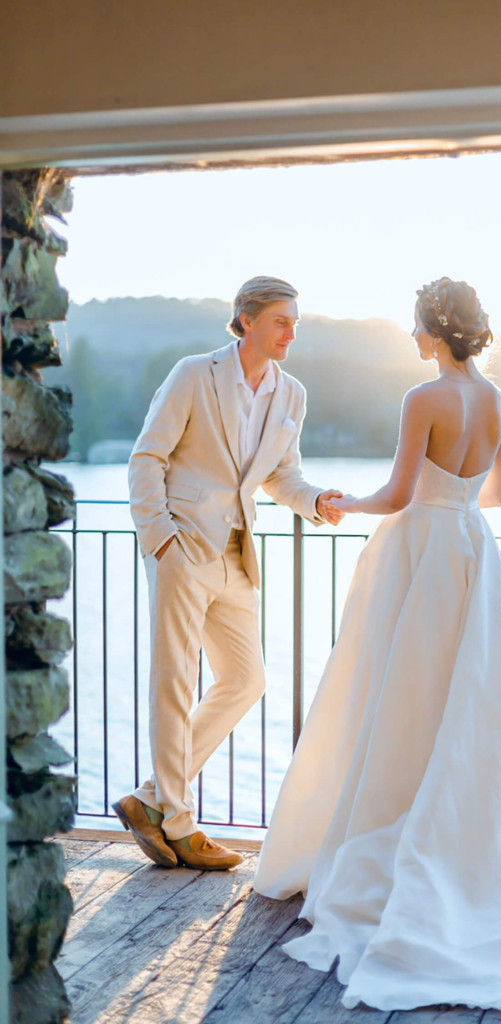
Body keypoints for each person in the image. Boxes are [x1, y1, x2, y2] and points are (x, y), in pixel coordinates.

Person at [252, 277, 501, 1013]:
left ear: (434, 329)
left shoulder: (421, 399)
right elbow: (494, 494)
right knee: (478, 701)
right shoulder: (496, 400)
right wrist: (450, 495)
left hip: (419, 550)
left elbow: (398, 496)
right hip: (470, 546)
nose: (410, 337)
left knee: (401, 696)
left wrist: (339, 504)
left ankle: (397, 833)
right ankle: (479, 842)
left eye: (415, 326)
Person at [113, 276, 344, 871]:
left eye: (295, 321)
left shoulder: (291, 395)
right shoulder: (194, 374)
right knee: (174, 683)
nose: (292, 331)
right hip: (182, 548)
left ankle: (148, 800)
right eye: (281, 321)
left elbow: (280, 476)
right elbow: (147, 457)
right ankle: (181, 825)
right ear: (246, 321)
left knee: (245, 679)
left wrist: (316, 501)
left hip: (239, 557)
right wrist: (159, 539)